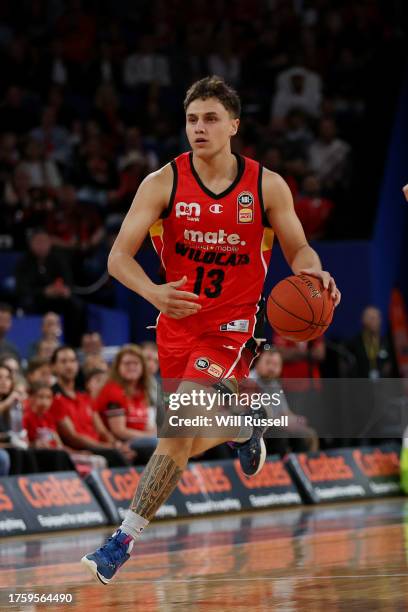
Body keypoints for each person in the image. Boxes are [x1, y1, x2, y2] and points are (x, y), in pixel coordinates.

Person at [81, 75, 340, 584]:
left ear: (233, 125)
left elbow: (298, 248)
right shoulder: (161, 182)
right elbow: (117, 258)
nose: (199, 128)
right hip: (175, 322)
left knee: (175, 434)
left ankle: (121, 541)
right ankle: (244, 425)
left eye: (210, 118)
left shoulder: (266, 185)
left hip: (232, 326)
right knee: (181, 432)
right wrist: (154, 292)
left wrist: (312, 269)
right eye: (192, 119)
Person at [50, 346, 130, 467]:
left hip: (101, 447)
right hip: (84, 450)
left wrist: (116, 444)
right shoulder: (53, 397)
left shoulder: (84, 397)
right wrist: (108, 447)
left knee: (133, 453)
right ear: (54, 367)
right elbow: (73, 437)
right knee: (116, 456)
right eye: (63, 361)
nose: (69, 366)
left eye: (72, 361)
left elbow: (101, 430)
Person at [93, 345, 157, 464]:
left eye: (136, 363)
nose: (132, 367)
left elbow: (148, 425)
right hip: (118, 443)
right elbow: (119, 431)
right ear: (118, 367)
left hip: (139, 440)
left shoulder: (142, 391)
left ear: (143, 367)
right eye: (127, 363)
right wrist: (148, 436)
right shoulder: (113, 391)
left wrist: (153, 434)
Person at [249, 347, 318, 454]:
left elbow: (285, 412)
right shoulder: (249, 382)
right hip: (255, 427)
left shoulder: (274, 384)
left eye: (276, 365)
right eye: (267, 363)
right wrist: (284, 423)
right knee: (279, 434)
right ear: (257, 363)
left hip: (276, 424)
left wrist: (295, 419)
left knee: (308, 433)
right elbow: (255, 415)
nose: (271, 368)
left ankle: (306, 466)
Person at [348, 306, 396, 379]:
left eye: (377, 318)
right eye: (371, 318)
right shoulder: (354, 343)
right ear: (363, 320)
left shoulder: (386, 342)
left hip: (383, 385)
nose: (374, 321)